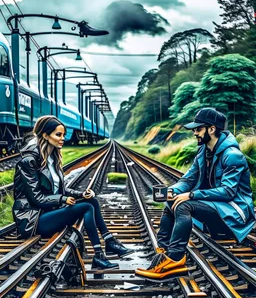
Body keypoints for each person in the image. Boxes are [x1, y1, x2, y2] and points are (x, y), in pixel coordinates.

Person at [136, 107, 255, 281]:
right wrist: (172, 192)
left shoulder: (232, 155)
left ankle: (175, 259)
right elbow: (188, 180)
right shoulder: (203, 151)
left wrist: (191, 195)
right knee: (172, 202)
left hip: (234, 211)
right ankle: (162, 253)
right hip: (217, 208)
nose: (194, 133)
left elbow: (228, 192)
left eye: (198, 129)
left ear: (212, 129)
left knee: (184, 205)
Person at [13, 115, 133, 270]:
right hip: (33, 219)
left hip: (49, 212)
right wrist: (62, 199)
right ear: (45, 135)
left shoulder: (52, 157)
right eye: (58, 135)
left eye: (63, 134)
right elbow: (36, 198)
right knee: (86, 207)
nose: (63, 138)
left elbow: (59, 189)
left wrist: (80, 194)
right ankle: (98, 256)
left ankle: (109, 242)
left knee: (91, 201)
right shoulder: (28, 161)